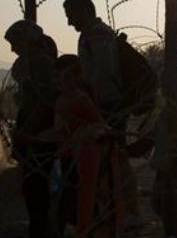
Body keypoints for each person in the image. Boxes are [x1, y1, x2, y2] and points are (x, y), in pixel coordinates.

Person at [62, 0, 140, 224]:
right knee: (111, 160)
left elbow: (102, 73)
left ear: (84, 11)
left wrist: (86, 99)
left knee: (112, 161)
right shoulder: (97, 33)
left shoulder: (95, 35)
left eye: (71, 15)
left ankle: (125, 212)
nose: (69, 22)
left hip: (106, 106)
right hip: (107, 105)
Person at [38, 55, 124, 238]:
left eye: (59, 76)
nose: (55, 81)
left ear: (72, 76)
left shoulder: (81, 99)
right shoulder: (61, 99)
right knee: (68, 202)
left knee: (82, 202)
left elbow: (100, 127)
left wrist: (83, 136)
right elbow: (60, 130)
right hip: (68, 157)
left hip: (83, 161)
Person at [4, 20, 57, 238]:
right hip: (31, 130)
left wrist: (28, 131)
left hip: (39, 133)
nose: (12, 48)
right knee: (32, 188)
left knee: (37, 189)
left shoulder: (42, 65)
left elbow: (45, 102)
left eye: (15, 42)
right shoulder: (27, 64)